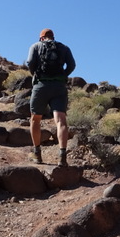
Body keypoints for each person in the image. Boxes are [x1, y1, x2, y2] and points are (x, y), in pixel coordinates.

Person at [26, 28, 76, 166]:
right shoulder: (64, 47)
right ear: (53, 37)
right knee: (61, 121)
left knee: (35, 119)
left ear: (41, 38)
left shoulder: (35, 46)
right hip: (59, 87)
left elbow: (30, 62)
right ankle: (62, 156)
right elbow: (72, 65)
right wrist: (63, 75)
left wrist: (35, 74)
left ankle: (37, 154)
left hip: (41, 85)